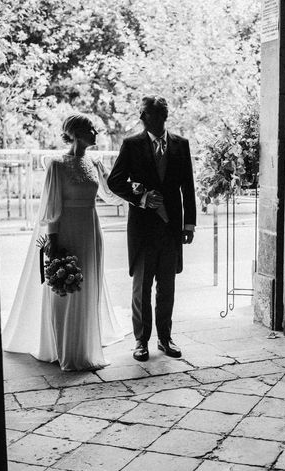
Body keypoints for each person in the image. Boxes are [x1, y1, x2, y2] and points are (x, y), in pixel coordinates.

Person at [2, 114, 128, 371]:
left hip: (91, 231)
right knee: (65, 291)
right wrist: (53, 242)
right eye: (91, 128)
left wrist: (139, 193)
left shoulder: (96, 162)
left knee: (88, 286)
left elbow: (111, 194)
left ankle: (84, 345)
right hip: (67, 231)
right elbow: (51, 207)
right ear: (77, 133)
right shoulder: (57, 164)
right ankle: (63, 347)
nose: (96, 132)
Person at [107, 96, 196, 361]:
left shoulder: (182, 145)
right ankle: (141, 341)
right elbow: (115, 181)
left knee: (167, 286)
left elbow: (188, 188)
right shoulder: (131, 144)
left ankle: (165, 338)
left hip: (170, 229)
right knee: (142, 288)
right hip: (143, 229)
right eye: (145, 115)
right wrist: (141, 197)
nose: (146, 119)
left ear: (162, 116)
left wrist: (189, 224)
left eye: (152, 114)